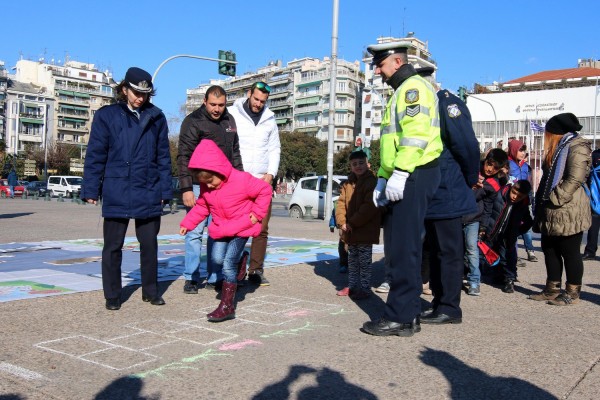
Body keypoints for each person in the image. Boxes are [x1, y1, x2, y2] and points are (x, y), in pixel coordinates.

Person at [361, 41, 443, 337]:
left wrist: (400, 173)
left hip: (414, 173)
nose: (379, 72)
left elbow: (415, 135)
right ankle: (408, 313)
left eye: (381, 66)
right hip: (405, 174)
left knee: (404, 248)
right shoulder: (400, 92)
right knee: (401, 247)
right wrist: (383, 176)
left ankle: (400, 317)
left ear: (397, 62)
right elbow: (391, 143)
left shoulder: (413, 89)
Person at [82, 67, 172, 310]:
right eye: (135, 92)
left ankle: (151, 291)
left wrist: (166, 190)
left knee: (150, 245)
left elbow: (163, 157)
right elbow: (96, 153)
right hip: (117, 186)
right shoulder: (107, 115)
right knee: (112, 246)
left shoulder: (157, 117)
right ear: (124, 89)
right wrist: (91, 187)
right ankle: (112, 295)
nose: (140, 98)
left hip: (148, 187)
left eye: (145, 94)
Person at [179, 139, 272, 322]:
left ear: (219, 171)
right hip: (221, 228)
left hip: (242, 227)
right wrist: (188, 223)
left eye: (211, 181)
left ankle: (227, 306)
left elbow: (265, 190)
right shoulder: (207, 187)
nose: (210, 186)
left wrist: (256, 215)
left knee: (228, 264)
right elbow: (201, 207)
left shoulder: (242, 179)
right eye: (205, 183)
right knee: (216, 259)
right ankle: (242, 259)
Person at [417, 66, 480, 324]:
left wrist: (467, 178)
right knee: (435, 252)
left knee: (449, 253)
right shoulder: (430, 106)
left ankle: (450, 308)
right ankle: (438, 302)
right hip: (433, 191)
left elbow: (466, 146)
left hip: (449, 189)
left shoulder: (447, 104)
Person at [178, 85, 243, 294]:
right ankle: (191, 277)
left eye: (221, 105)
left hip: (223, 187)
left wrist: (240, 182)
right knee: (195, 233)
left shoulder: (229, 120)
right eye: (213, 104)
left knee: (218, 232)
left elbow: (235, 154)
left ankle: (215, 276)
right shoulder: (193, 121)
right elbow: (183, 156)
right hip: (198, 186)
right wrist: (186, 188)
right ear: (205, 101)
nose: (217, 109)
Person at [530, 112, 591, 305]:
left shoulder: (577, 146)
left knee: (570, 251)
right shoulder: (558, 148)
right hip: (551, 208)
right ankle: (552, 289)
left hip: (568, 208)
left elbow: (575, 178)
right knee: (549, 248)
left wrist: (555, 198)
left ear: (557, 132)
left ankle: (572, 292)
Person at [228, 81, 281, 287]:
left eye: (263, 101)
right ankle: (232, 268)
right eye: (256, 99)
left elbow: (274, 148)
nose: (258, 104)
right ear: (249, 94)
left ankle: (256, 269)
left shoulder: (270, 118)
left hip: (261, 180)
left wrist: (271, 174)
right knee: (235, 226)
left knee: (261, 227)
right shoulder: (232, 113)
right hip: (238, 179)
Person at [334, 150, 381, 300]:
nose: (358, 166)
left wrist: (352, 222)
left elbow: (369, 207)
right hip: (350, 230)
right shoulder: (348, 183)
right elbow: (340, 203)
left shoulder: (372, 181)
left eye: (361, 163)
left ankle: (365, 289)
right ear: (350, 166)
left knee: (365, 263)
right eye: (354, 164)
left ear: (367, 164)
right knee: (352, 261)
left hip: (365, 230)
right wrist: (342, 222)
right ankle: (353, 286)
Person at [462, 148, 508, 296]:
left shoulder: (493, 184)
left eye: (495, 168)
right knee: (455, 250)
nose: (490, 169)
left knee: (472, 249)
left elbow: (488, 206)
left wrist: (483, 226)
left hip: (473, 219)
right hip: (456, 215)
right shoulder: (472, 168)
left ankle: (474, 281)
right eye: (489, 164)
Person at [487, 180, 534, 293]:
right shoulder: (501, 195)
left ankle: (509, 279)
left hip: (509, 235)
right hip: (494, 231)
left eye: (519, 196)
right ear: (511, 188)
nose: (515, 197)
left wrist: (518, 231)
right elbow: (489, 210)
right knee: (494, 254)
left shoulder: (522, 204)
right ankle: (498, 276)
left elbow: (528, 221)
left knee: (508, 257)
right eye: (514, 193)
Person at [507, 139, 538, 262]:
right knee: (511, 228)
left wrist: (530, 198)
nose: (522, 153)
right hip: (511, 201)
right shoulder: (507, 164)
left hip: (524, 201)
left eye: (524, 150)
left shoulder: (526, 166)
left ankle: (530, 250)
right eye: (520, 150)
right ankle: (513, 254)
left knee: (527, 226)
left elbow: (529, 183)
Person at [582, 149, 600, 260]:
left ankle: (590, 251)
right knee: (593, 227)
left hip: (595, 198)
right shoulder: (596, 154)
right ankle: (590, 251)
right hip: (596, 198)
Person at [329, 200, 349, 273]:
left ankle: (355, 265)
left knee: (355, 248)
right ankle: (344, 264)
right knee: (343, 247)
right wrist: (332, 225)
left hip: (353, 227)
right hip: (342, 228)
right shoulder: (337, 203)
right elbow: (334, 214)